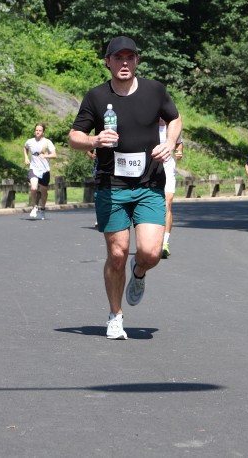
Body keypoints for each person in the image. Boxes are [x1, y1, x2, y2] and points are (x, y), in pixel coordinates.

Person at [68, 36, 181, 341]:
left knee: (151, 252)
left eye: (130, 58)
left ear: (137, 61)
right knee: (117, 254)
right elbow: (74, 136)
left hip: (149, 184)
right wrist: (93, 140)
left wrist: (170, 143)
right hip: (112, 186)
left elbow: (175, 118)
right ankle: (115, 316)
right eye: (118, 58)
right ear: (108, 62)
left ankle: (139, 271)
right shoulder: (96, 97)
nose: (125, 63)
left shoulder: (155, 91)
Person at [159, 118, 183, 258]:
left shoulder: (172, 127)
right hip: (149, 170)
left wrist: (179, 152)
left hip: (167, 168)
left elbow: (179, 143)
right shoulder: (147, 124)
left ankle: (164, 243)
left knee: (167, 203)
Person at [23, 124, 57, 220]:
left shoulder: (47, 142)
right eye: (36, 130)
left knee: (44, 191)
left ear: (43, 132)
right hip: (34, 168)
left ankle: (42, 208)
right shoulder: (30, 141)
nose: (38, 132)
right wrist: (26, 158)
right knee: (33, 188)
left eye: (40, 130)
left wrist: (45, 156)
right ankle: (34, 207)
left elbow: (54, 155)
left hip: (44, 170)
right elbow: (25, 148)